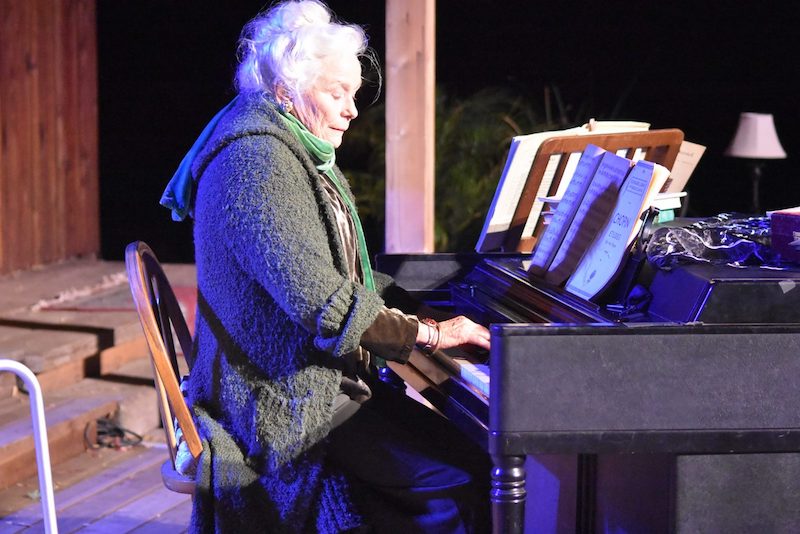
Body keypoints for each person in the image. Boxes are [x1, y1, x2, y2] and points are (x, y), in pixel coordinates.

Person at [160, 1, 492, 532]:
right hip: (275, 396)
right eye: (337, 93)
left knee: (465, 458)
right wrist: (428, 335)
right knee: (463, 478)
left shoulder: (287, 146)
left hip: (309, 376)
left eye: (353, 94)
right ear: (286, 90)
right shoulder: (256, 161)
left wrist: (432, 308)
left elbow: (341, 275)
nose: (352, 110)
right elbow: (320, 300)